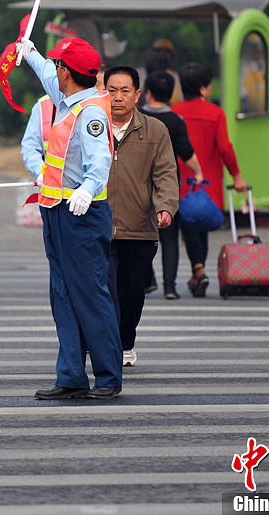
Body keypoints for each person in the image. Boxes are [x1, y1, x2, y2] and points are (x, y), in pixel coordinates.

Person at [18, 35, 122, 401]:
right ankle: (72, 375)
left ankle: (109, 377)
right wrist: (29, 53)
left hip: (82, 214)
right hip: (56, 212)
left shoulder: (90, 111)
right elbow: (47, 73)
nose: (54, 69)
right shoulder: (67, 97)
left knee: (90, 295)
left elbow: (101, 160)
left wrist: (87, 189)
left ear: (68, 72)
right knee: (62, 294)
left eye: (58, 65)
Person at [103, 66, 179, 368]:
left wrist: (165, 206)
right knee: (103, 290)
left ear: (137, 94)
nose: (118, 97)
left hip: (139, 227)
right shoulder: (91, 125)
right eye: (112, 90)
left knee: (132, 291)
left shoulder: (155, 130)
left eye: (124, 91)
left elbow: (166, 173)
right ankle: (103, 343)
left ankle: (125, 343)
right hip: (99, 226)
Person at [172, 62, 248, 297]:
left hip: (180, 181)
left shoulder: (175, 113)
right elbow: (225, 147)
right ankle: (199, 270)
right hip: (208, 182)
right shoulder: (216, 113)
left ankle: (198, 271)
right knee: (199, 226)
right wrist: (236, 174)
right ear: (205, 89)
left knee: (189, 226)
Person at [140, 71, 205, 300]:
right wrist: (198, 172)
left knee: (140, 234)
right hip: (168, 185)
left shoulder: (136, 116)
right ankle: (170, 288)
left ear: (147, 93)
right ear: (170, 95)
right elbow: (186, 152)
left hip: (139, 184)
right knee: (169, 238)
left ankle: (147, 281)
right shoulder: (176, 121)